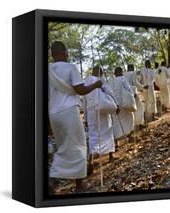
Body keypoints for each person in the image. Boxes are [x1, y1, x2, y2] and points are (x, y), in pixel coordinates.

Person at [48, 41, 102, 193]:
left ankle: (52, 179)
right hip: (69, 111)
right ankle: (79, 185)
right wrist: (95, 85)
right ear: (65, 52)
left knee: (63, 147)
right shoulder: (70, 67)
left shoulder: (46, 70)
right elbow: (80, 89)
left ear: (52, 54)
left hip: (53, 113)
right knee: (78, 146)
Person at [84, 66, 118, 171]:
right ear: (100, 73)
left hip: (91, 112)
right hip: (103, 110)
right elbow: (110, 93)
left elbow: (84, 101)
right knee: (107, 131)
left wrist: (85, 117)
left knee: (93, 134)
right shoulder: (101, 81)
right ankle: (110, 156)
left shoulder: (86, 82)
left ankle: (90, 161)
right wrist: (116, 105)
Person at [109, 67, 135, 144]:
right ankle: (130, 136)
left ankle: (116, 142)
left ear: (114, 73)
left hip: (114, 104)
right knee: (130, 118)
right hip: (124, 104)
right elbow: (129, 90)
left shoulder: (111, 81)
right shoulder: (123, 79)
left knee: (115, 122)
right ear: (121, 72)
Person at [124, 64, 145, 129]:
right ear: (133, 68)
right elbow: (135, 83)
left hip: (126, 95)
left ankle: (132, 126)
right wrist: (142, 87)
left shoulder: (124, 74)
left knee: (130, 110)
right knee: (139, 107)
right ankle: (139, 124)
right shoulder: (134, 73)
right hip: (133, 93)